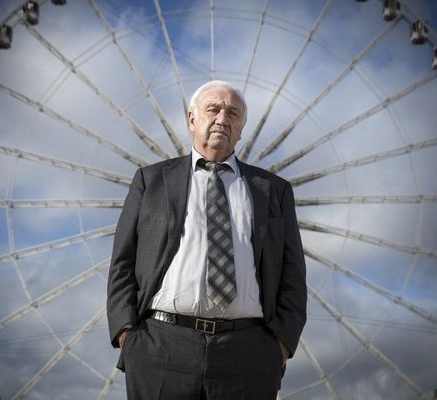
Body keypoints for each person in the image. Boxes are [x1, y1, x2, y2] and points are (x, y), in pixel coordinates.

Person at [107, 80, 307, 400]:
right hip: (160, 343)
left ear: (241, 129)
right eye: (212, 109)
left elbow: (293, 274)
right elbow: (123, 261)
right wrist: (126, 334)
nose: (222, 119)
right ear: (191, 118)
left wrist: (280, 343)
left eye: (233, 114)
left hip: (249, 349)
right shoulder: (151, 180)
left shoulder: (273, 190)